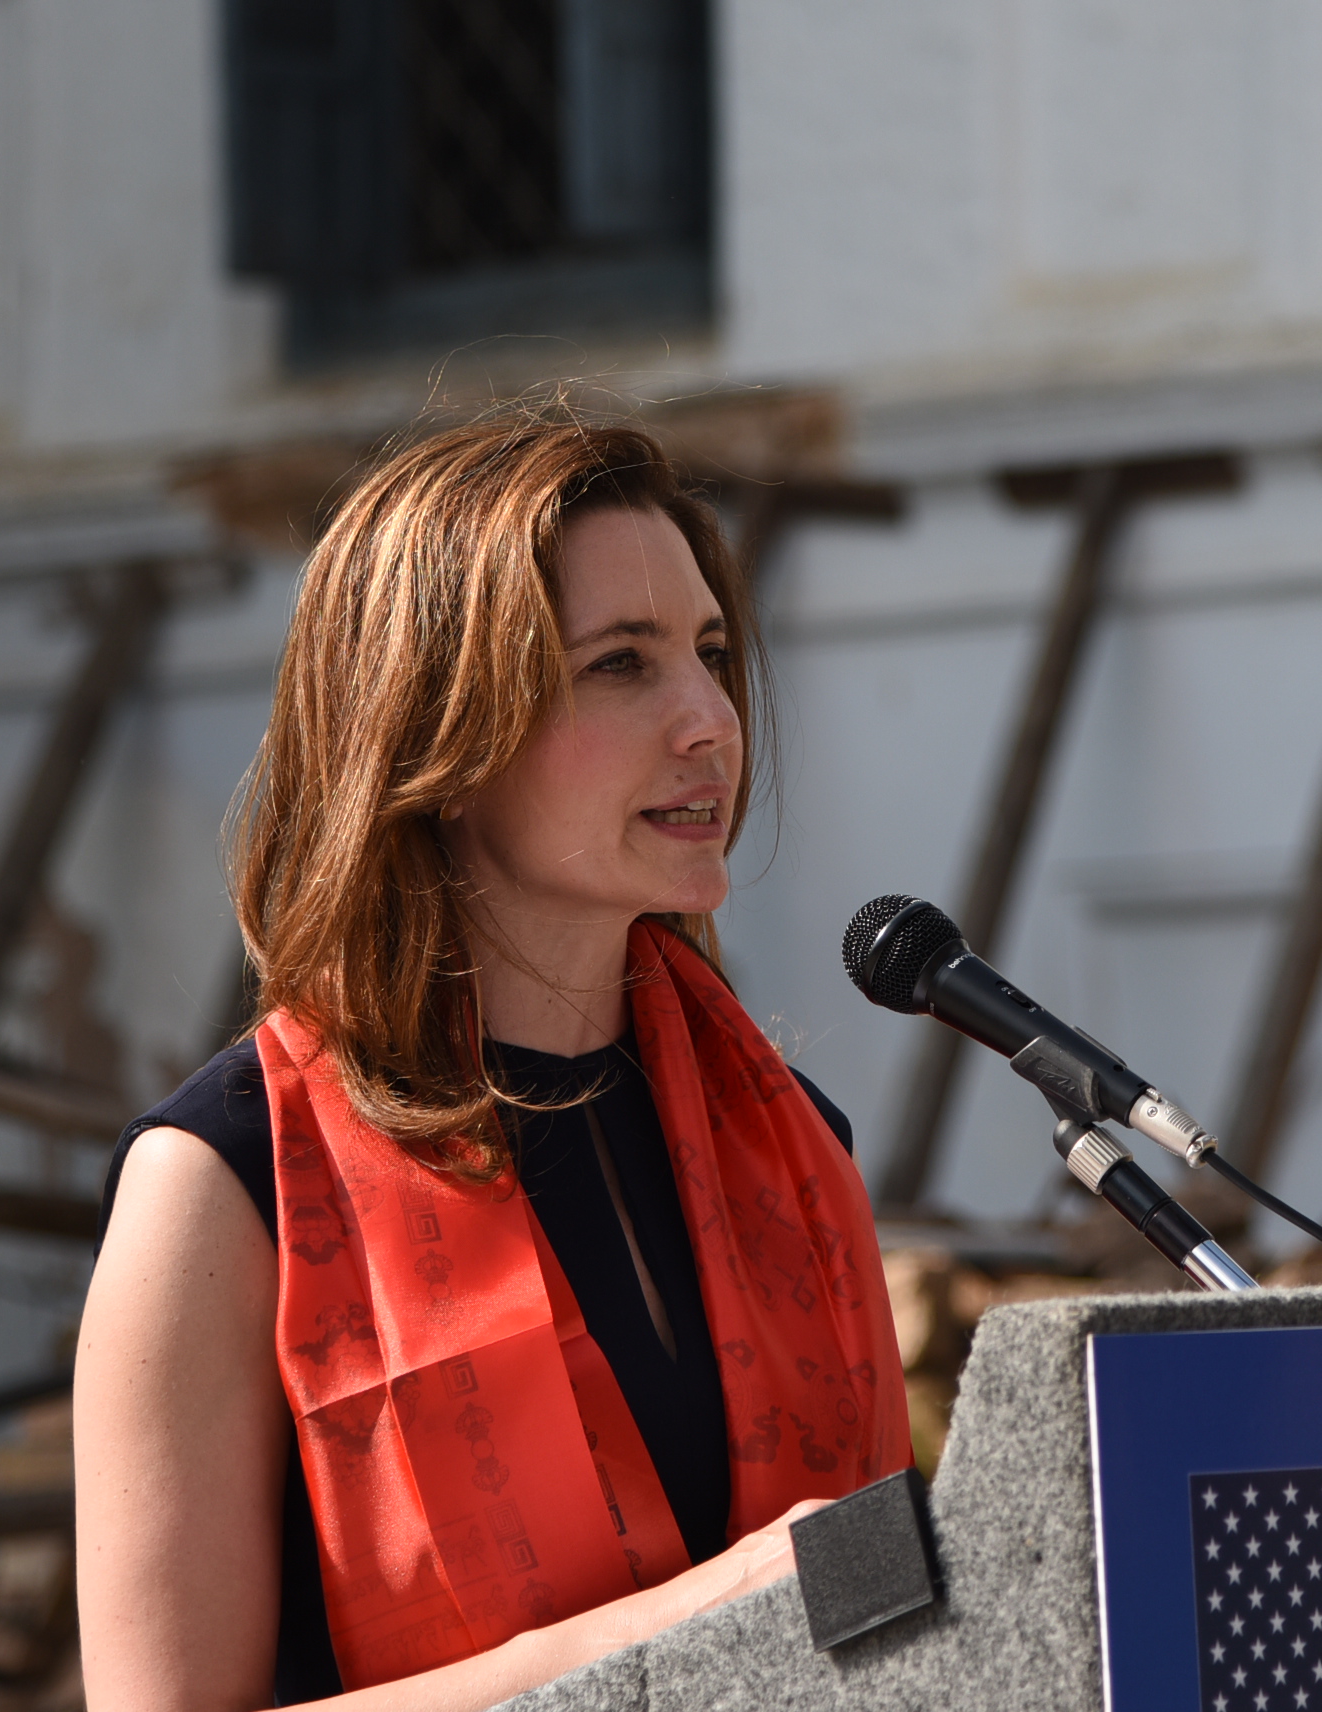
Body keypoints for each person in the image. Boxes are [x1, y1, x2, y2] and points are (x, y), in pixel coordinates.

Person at [78, 414, 908, 1712]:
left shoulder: (798, 1153)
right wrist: (669, 1635)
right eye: (620, 665)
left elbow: (886, 1638)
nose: (708, 722)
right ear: (437, 738)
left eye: (708, 653)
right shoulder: (224, 1189)